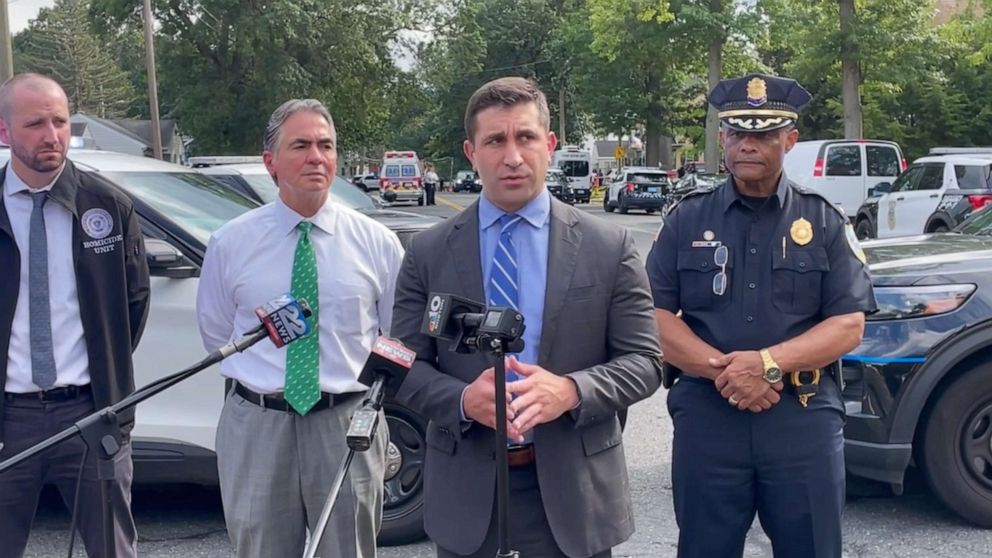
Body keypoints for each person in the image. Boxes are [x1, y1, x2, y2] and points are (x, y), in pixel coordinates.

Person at [391, 77, 663, 558]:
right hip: (468, 497)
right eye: (495, 140)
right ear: (471, 152)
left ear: (550, 145)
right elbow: (401, 364)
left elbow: (645, 362)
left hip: (575, 496)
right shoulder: (428, 252)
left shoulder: (609, 247)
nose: (512, 156)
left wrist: (572, 390)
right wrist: (460, 400)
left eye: (526, 137)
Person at [646, 73, 876, 557]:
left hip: (802, 417)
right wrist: (730, 373)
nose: (749, 145)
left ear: (789, 140)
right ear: (723, 138)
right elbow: (654, 314)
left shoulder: (824, 220)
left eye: (764, 134)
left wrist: (767, 364)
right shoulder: (687, 218)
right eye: (738, 133)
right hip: (710, 415)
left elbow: (848, 323)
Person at [196, 99, 404, 558]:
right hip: (258, 423)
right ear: (271, 162)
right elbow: (218, 336)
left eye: (326, 145)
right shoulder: (231, 243)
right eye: (302, 145)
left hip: (346, 423)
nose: (317, 157)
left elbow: (394, 335)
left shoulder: (377, 243)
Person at [0, 73, 150, 558]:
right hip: (9, 418)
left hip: (91, 415)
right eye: (35, 123)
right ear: (4, 131)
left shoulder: (107, 206)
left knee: (113, 549)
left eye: (60, 121)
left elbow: (133, 304)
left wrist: (106, 383)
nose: (51, 134)